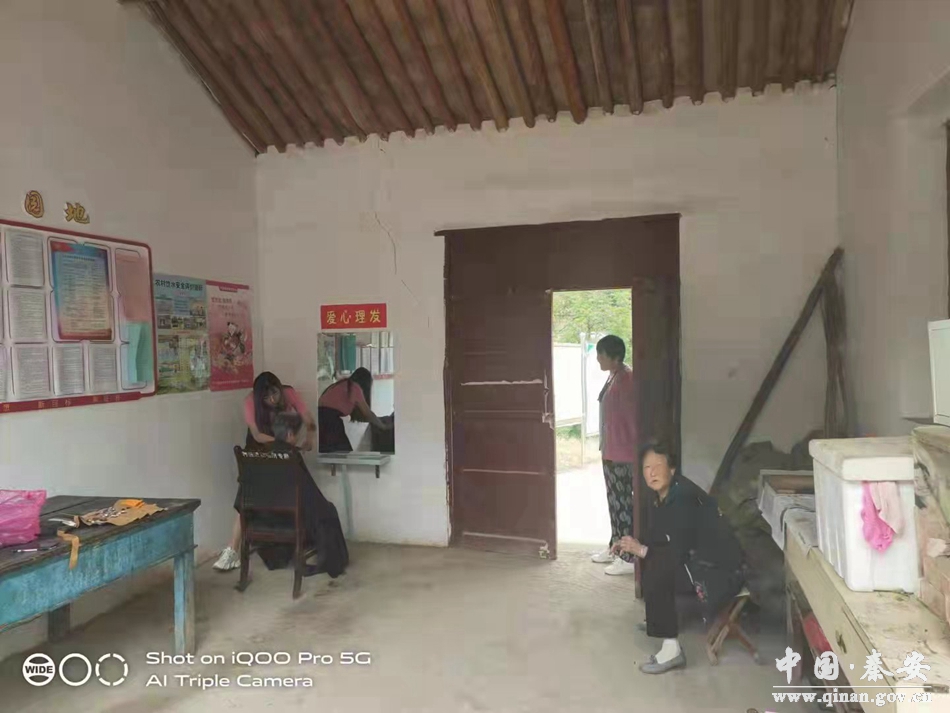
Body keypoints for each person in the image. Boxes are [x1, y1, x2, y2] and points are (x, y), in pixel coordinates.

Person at [614, 442, 744, 674]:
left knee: (658, 567)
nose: (652, 473)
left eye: (658, 466)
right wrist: (630, 543)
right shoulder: (665, 494)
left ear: (672, 469)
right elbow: (657, 535)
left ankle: (672, 651)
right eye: (646, 468)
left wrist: (641, 550)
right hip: (700, 561)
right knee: (653, 556)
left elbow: (676, 552)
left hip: (721, 572)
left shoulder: (684, 497)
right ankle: (660, 620)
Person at [214, 372, 316, 571]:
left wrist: (309, 439)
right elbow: (257, 435)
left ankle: (295, 539)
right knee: (248, 494)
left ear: (280, 388)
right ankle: (232, 550)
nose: (272, 400)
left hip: (284, 449)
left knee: (292, 492)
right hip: (259, 448)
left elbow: (309, 420)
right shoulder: (249, 401)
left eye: (275, 394)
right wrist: (283, 443)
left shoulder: (289, 394)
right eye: (266, 397)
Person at [232, 411, 348, 577]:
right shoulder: (291, 456)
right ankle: (331, 563)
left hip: (261, 522)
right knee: (328, 512)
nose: (300, 439)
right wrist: (326, 508)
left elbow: (241, 498)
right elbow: (310, 497)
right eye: (298, 435)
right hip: (288, 523)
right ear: (290, 435)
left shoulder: (258, 455)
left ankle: (278, 556)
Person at [590, 335, 639, 576]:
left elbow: (634, 419)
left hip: (624, 455)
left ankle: (628, 558)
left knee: (624, 506)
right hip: (611, 451)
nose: (598, 358)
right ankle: (616, 547)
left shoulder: (627, 379)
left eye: (601, 354)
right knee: (615, 504)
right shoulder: (614, 376)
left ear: (614, 356)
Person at [317, 367, 391, 453]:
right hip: (330, 420)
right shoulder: (354, 388)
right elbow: (368, 413)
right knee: (343, 452)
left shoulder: (339, 385)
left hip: (319, 418)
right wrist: (383, 426)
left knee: (328, 451)